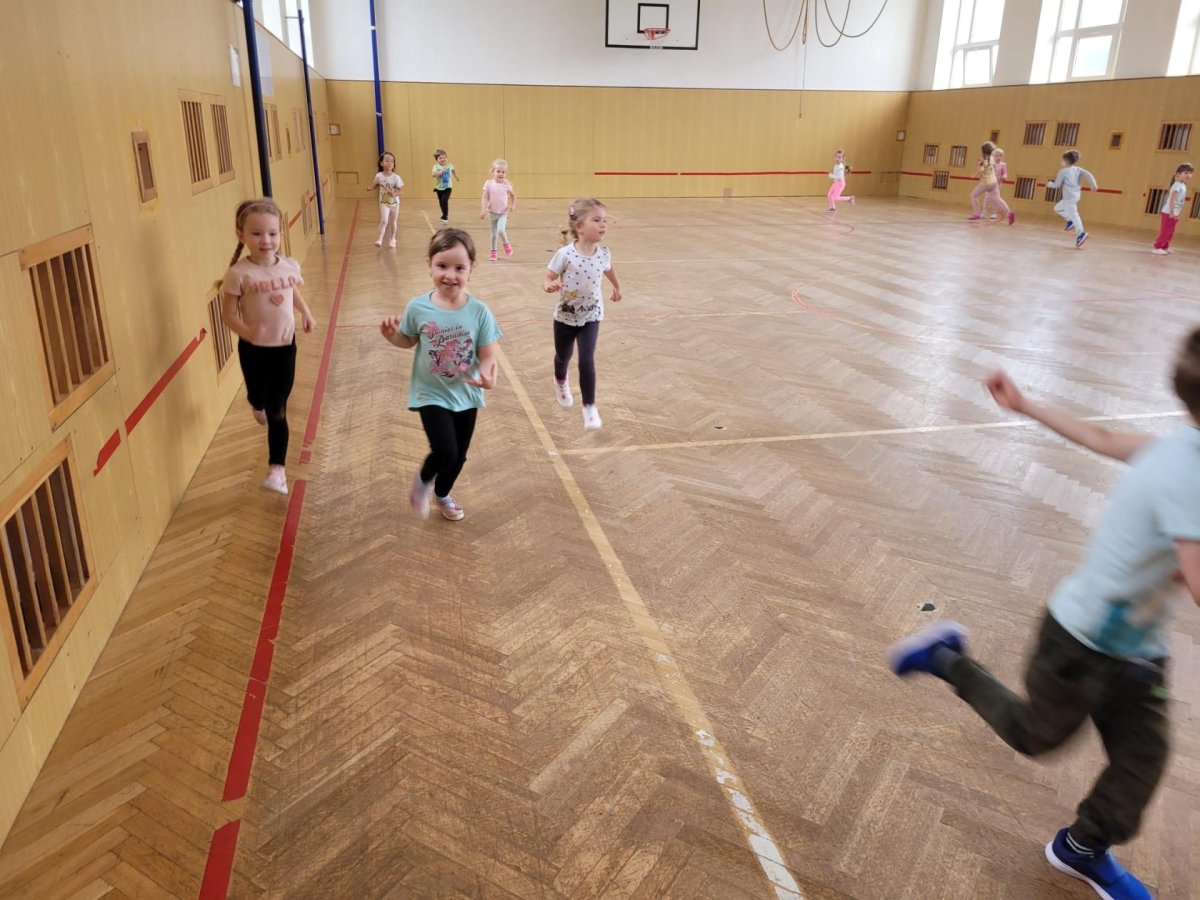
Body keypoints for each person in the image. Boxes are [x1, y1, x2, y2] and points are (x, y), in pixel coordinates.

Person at [889, 329, 1200, 900]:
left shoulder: (1180, 449)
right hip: (1079, 644)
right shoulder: (1189, 473)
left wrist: (1025, 403)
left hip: (1139, 649)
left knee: (1143, 758)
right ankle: (948, 659)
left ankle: (1080, 849)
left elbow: (1102, 438)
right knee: (1036, 736)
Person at [380, 228, 500, 521]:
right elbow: (408, 340)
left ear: (471, 269)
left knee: (459, 456)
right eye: (442, 266)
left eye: (459, 268)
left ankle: (443, 494)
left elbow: (487, 354)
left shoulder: (480, 312)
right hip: (430, 393)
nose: (450, 275)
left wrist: (487, 375)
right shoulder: (418, 307)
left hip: (467, 394)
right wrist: (392, 336)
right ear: (429, 265)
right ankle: (423, 482)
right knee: (445, 451)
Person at [219, 198, 316, 495]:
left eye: (272, 233)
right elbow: (227, 315)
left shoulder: (289, 265)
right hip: (253, 349)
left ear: (280, 234)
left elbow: (291, 290)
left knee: (277, 409)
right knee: (257, 396)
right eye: (257, 233)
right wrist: (247, 331)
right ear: (241, 235)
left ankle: (277, 471)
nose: (266, 240)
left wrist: (306, 312)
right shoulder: (239, 274)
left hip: (285, 347)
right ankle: (256, 403)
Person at [543, 198, 622, 431]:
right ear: (579, 226)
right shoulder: (565, 254)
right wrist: (548, 285)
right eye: (596, 220)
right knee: (563, 356)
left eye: (604, 220)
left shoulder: (603, 253)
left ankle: (589, 406)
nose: (603, 224)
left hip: (591, 316)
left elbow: (609, 269)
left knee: (587, 360)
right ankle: (560, 380)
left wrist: (617, 286)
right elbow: (548, 276)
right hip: (565, 317)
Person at [1048, 149, 1098, 249]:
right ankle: (1070, 221)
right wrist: (1094, 185)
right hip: (1076, 196)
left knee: (1074, 215)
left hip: (1069, 198)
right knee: (1057, 208)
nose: (1061, 162)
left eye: (1062, 160)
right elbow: (1089, 175)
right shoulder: (1078, 169)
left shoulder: (1063, 171)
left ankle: (1081, 233)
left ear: (1066, 161)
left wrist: (1049, 184)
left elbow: (1057, 185)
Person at [1152, 162, 1193, 255]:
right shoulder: (1177, 185)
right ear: (1178, 174)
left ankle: (1165, 246)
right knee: (1165, 231)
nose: (1188, 175)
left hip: (1175, 212)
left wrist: (1176, 213)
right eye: (1186, 173)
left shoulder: (1183, 185)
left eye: (1190, 173)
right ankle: (1157, 247)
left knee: (1170, 231)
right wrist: (1171, 212)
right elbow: (1172, 200)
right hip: (1169, 212)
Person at [479, 159, 515, 261]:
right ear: (493, 172)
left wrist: (513, 205)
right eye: (498, 171)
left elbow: (513, 196)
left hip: (503, 213)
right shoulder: (488, 184)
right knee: (494, 235)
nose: (501, 173)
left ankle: (506, 244)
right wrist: (483, 210)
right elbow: (485, 197)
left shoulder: (506, 185)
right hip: (492, 213)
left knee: (500, 230)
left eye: (503, 172)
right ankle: (493, 252)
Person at [969, 145, 1014, 225]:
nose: (998, 157)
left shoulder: (986, 160)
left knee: (973, 195)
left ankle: (977, 213)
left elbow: (981, 170)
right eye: (996, 155)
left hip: (986, 182)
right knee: (997, 199)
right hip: (994, 183)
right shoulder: (991, 161)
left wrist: (975, 175)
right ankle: (1009, 213)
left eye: (1000, 155)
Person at [369, 151, 404, 248]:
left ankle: (393, 239)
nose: (390, 163)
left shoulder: (396, 177)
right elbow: (376, 184)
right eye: (387, 161)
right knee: (384, 220)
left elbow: (401, 191)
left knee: (393, 222)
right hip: (383, 202)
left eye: (392, 161)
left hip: (394, 203)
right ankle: (380, 239)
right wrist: (370, 188)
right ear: (381, 163)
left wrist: (394, 193)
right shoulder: (379, 176)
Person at [431, 148, 460, 224]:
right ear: (437, 159)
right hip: (439, 188)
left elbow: (453, 169)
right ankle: (444, 214)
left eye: (444, 157)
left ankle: (445, 216)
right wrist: (441, 171)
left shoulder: (449, 165)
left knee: (444, 200)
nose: (443, 159)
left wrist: (456, 176)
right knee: (441, 202)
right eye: (440, 158)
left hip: (448, 187)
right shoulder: (436, 166)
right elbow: (433, 175)